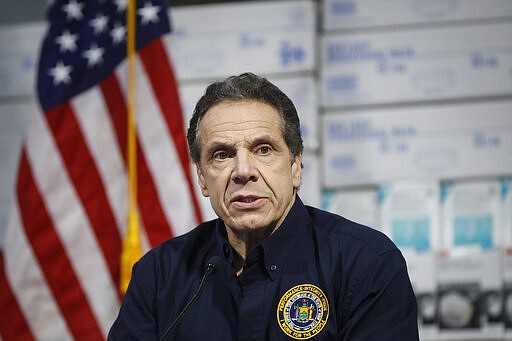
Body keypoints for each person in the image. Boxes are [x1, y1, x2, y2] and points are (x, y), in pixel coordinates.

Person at [108, 73, 419, 340]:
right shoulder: (159, 274)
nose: (244, 171)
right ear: (202, 178)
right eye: (221, 155)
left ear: (295, 166)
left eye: (263, 149)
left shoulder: (366, 263)